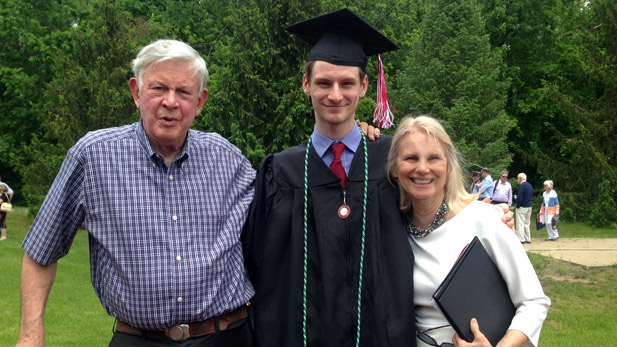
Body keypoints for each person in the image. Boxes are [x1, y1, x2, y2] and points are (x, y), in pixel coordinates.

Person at [242, 9, 514, 347]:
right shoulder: (280, 172)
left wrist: (485, 216)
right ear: (306, 84)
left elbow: (436, 214)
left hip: (384, 334)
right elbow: (256, 260)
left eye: (347, 83)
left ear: (365, 85)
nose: (335, 94)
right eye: (324, 82)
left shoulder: (393, 160)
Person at [18, 40, 256, 346]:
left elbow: (277, 228)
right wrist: (30, 335)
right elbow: (41, 251)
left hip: (226, 337)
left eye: (183, 92)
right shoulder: (93, 157)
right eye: (158, 88)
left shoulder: (228, 159)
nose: (170, 101)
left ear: (199, 102)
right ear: (137, 92)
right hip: (138, 339)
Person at [387, 115, 550, 347]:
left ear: (449, 165)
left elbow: (534, 301)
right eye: (411, 158)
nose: (422, 168)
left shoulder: (482, 219)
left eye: (433, 158)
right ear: (395, 168)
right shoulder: (393, 230)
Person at [516, 173, 533, 243]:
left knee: (520, 223)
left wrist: (518, 205)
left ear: (520, 178)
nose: (517, 180)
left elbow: (520, 197)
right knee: (527, 223)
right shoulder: (529, 185)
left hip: (523, 206)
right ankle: (528, 238)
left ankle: (521, 239)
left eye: (518, 178)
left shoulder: (522, 186)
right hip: (529, 205)